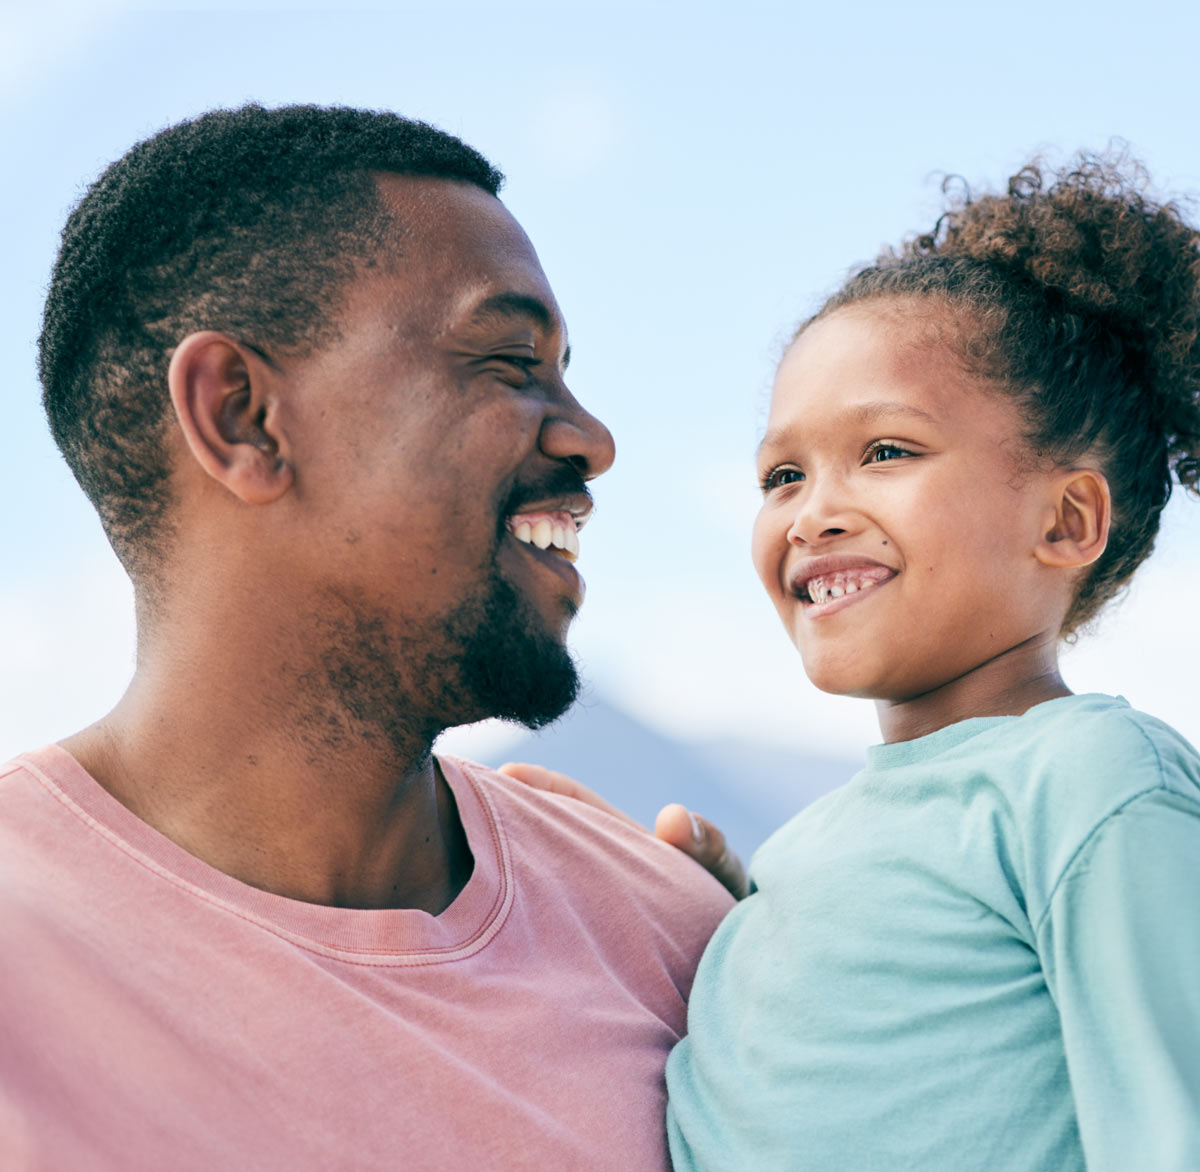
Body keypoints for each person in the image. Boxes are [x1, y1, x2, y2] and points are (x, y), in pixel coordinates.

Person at [0, 103, 733, 1171]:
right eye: (509, 359)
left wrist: (790, 1007)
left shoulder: (669, 928)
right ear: (243, 415)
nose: (591, 438)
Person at [509, 153, 1200, 1170]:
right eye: (783, 473)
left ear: (1065, 518)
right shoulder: (808, 847)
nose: (815, 511)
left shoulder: (1093, 784)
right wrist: (734, 925)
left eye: (886, 452)